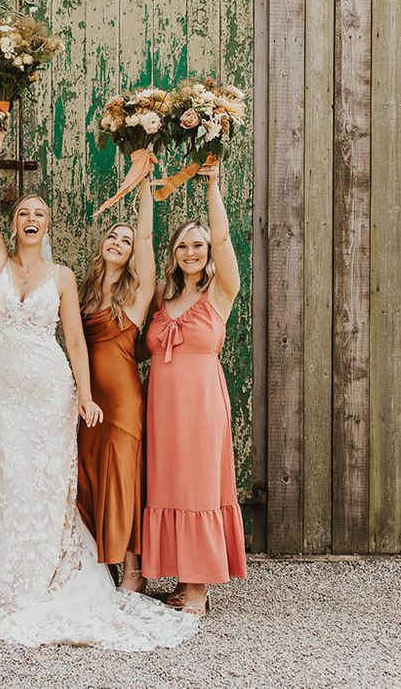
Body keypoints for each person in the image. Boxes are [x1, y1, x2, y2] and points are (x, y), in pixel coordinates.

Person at [0, 125, 197, 650]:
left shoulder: (62, 277)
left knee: (46, 483)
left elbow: (76, 344)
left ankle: (50, 570)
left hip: (50, 390)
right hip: (3, 390)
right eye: (24, 215)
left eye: (39, 214)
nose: (30, 220)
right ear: (15, 225)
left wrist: (84, 395)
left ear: (49, 225)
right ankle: (6, 571)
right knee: (10, 474)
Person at [140, 160, 248, 615]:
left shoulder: (220, 293)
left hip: (201, 403)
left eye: (198, 245)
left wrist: (214, 188)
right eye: (183, 245)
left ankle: (200, 588)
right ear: (175, 253)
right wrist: (145, 184)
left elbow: (223, 240)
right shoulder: (163, 298)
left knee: (199, 484)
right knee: (170, 485)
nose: (191, 252)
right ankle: (183, 579)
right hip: (163, 406)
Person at [77, 177, 156, 590]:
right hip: (88, 401)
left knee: (121, 479)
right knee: (88, 477)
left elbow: (145, 234)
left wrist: (143, 183)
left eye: (125, 242)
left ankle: (133, 571)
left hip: (123, 401)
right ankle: (97, 565)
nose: (118, 242)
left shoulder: (136, 292)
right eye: (113, 236)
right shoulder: (86, 291)